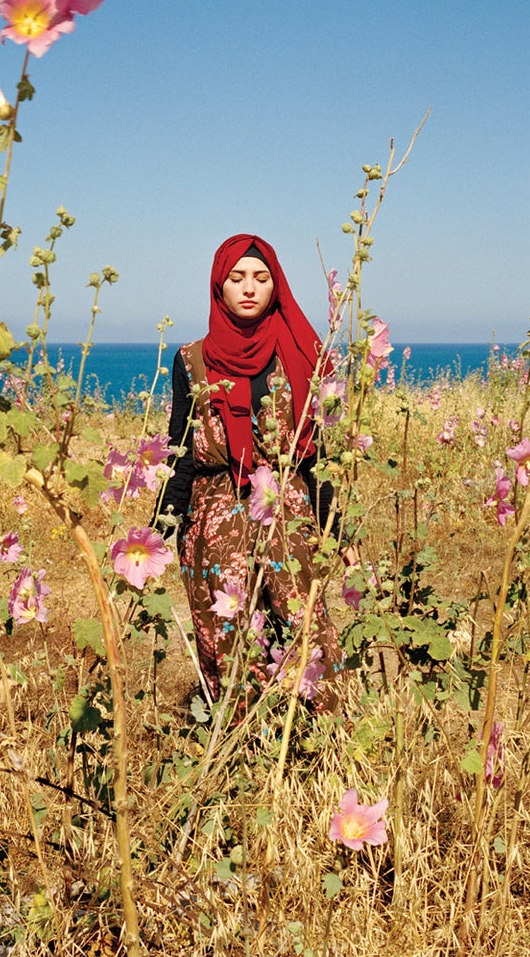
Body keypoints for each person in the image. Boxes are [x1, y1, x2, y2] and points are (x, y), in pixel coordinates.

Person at [160, 234, 346, 708]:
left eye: (261, 278)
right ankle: (242, 751)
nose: (248, 288)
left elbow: (313, 451)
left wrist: (336, 530)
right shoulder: (190, 360)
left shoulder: (298, 353)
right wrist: (161, 525)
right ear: (218, 287)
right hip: (213, 518)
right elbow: (179, 450)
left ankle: (316, 742)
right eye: (236, 278)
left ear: (275, 285)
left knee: (304, 629)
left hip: (288, 514)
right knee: (229, 641)